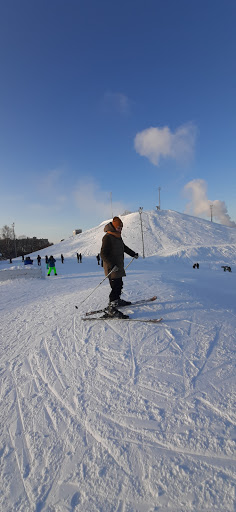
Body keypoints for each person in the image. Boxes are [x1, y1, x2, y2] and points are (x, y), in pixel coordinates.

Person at [100, 216, 138, 317]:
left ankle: (116, 301)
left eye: (121, 228)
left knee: (119, 284)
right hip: (111, 266)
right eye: (118, 228)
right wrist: (111, 265)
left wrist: (133, 254)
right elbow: (103, 253)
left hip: (118, 265)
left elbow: (123, 247)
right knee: (115, 286)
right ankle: (111, 308)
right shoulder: (107, 237)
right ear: (113, 226)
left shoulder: (117, 236)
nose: (120, 229)